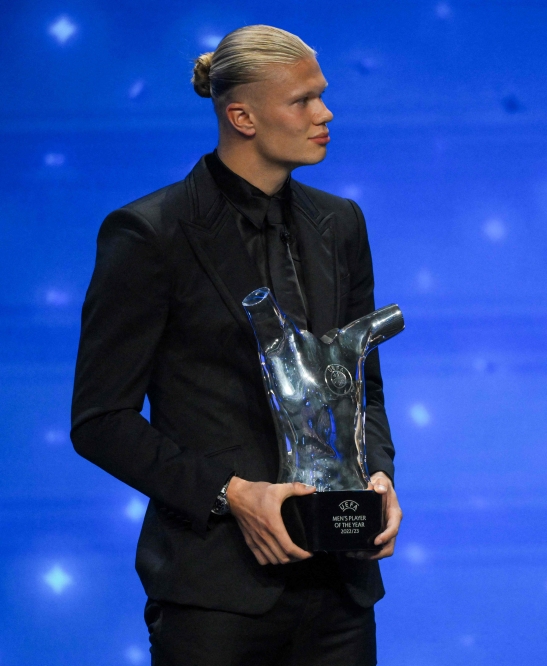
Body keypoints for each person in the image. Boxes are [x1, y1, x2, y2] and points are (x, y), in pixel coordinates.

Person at [70, 25, 401, 666]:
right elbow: (100, 421)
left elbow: (363, 385)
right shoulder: (149, 234)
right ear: (241, 115)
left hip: (340, 587)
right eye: (303, 100)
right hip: (216, 595)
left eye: (322, 96)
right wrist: (233, 494)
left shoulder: (340, 224)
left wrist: (379, 475)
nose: (325, 113)